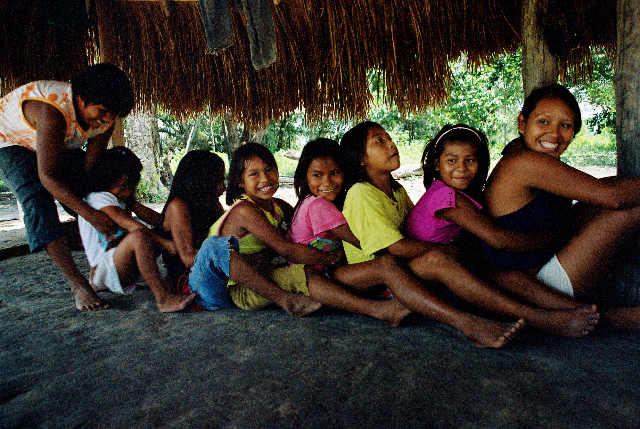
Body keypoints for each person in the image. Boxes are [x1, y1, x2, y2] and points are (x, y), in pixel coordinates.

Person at [405, 124, 599, 336]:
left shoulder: (448, 191)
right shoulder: (447, 198)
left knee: (510, 279)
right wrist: (554, 239)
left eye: (470, 160)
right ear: (436, 163)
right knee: (506, 279)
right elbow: (498, 240)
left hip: (438, 272)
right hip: (427, 282)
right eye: (451, 160)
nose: (461, 167)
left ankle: (581, 310)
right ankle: (544, 319)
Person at [187, 142, 412, 325]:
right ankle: (374, 310)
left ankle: (369, 304)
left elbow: (301, 227)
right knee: (218, 247)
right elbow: (288, 249)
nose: (265, 179)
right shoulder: (244, 210)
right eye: (254, 174)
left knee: (303, 274)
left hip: (260, 277)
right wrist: (325, 258)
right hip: (228, 288)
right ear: (239, 182)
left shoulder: (279, 206)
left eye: (269, 170)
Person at [482, 83, 640, 331]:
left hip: (542, 265)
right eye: (543, 122)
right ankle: (615, 318)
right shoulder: (525, 162)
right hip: (541, 286)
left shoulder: (520, 149)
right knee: (628, 208)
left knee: (615, 186)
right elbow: (613, 199)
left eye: (565, 125)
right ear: (522, 123)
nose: (554, 134)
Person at [0, 63, 134, 311]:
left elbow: (90, 170)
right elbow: (48, 176)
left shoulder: (106, 119)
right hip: (10, 142)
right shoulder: (53, 111)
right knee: (37, 200)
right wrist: (90, 215)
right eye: (102, 111)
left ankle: (109, 265)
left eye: (112, 115)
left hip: (51, 143)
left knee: (97, 188)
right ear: (81, 99)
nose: (106, 120)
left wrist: (97, 203)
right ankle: (79, 285)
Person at [78, 147, 196, 312]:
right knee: (139, 236)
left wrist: (174, 219)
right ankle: (163, 299)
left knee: (156, 231)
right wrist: (165, 244)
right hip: (106, 270)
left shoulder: (119, 197)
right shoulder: (98, 198)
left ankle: (173, 277)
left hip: (119, 264)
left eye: (130, 186)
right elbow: (131, 225)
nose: (127, 191)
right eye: (124, 185)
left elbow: (156, 220)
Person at [157, 150, 226, 284]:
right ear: (203, 180)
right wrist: (231, 260)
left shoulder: (213, 205)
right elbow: (188, 259)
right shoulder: (178, 206)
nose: (223, 188)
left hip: (209, 270)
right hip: (187, 279)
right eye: (220, 180)